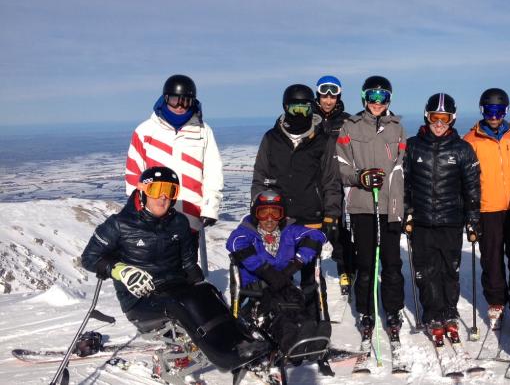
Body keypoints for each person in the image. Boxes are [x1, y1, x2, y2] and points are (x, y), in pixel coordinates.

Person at [81, 166, 268, 373]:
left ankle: (240, 342)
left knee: (209, 293)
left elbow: (188, 263)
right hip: (139, 298)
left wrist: (202, 286)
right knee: (182, 303)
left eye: (170, 192)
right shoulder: (119, 224)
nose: (162, 198)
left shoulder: (179, 222)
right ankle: (224, 356)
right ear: (143, 191)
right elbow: (89, 258)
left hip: (175, 287)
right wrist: (120, 270)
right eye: (156, 190)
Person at [250, 84, 342, 324]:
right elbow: (259, 177)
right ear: (285, 107)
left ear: (311, 107)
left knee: (311, 274)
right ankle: (283, 325)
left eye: (304, 108)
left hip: (311, 217)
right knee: (279, 274)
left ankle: (315, 325)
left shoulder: (322, 140)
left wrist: (332, 215)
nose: (299, 113)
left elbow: (331, 181)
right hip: (278, 220)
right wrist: (258, 213)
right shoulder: (272, 138)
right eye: (294, 107)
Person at [403, 93, 481, 342]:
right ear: (427, 116)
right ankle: (432, 314)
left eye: (444, 118)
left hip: (451, 220)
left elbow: (472, 188)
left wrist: (473, 219)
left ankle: (449, 312)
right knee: (426, 271)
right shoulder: (413, 145)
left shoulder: (462, 149)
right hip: (422, 220)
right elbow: (404, 183)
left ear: (452, 119)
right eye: (435, 117)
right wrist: (406, 211)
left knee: (450, 269)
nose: (439, 123)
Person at [335, 75, 406, 340]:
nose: (377, 102)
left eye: (383, 97)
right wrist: (359, 177)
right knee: (365, 264)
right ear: (364, 98)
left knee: (392, 264)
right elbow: (340, 166)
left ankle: (393, 310)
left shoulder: (397, 128)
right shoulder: (349, 127)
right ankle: (366, 311)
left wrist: (402, 208)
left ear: (389, 100)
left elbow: (401, 169)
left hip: (390, 205)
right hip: (363, 206)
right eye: (373, 97)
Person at [226, 188, 330, 358]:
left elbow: (316, 235)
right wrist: (266, 271)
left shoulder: (288, 231)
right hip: (256, 291)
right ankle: (290, 343)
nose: (269, 219)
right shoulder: (248, 232)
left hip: (283, 285)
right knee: (276, 309)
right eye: (263, 213)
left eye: (275, 213)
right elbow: (235, 243)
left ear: (282, 215)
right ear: (255, 214)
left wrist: (296, 263)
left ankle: (312, 339)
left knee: (296, 301)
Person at [463, 88, 510, 326]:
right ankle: (496, 302)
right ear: (482, 111)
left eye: (499, 111)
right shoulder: (471, 140)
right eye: (489, 111)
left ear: (506, 111)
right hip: (488, 208)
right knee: (491, 260)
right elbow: (466, 179)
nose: (494, 116)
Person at [124, 74, 223, 239]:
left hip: (190, 214)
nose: (180, 106)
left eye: (186, 101)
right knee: (156, 263)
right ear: (165, 98)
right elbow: (134, 174)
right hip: (154, 215)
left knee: (187, 263)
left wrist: (210, 208)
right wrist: (138, 210)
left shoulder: (203, 131)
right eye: (175, 100)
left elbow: (213, 172)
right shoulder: (145, 131)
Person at [313, 75, 355, 296]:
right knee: (310, 228)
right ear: (317, 95)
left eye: (333, 96)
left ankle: (344, 269)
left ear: (338, 96)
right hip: (312, 183)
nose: (328, 101)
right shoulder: (309, 119)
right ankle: (309, 269)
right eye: (324, 96)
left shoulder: (347, 121)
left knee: (338, 230)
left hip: (338, 184)